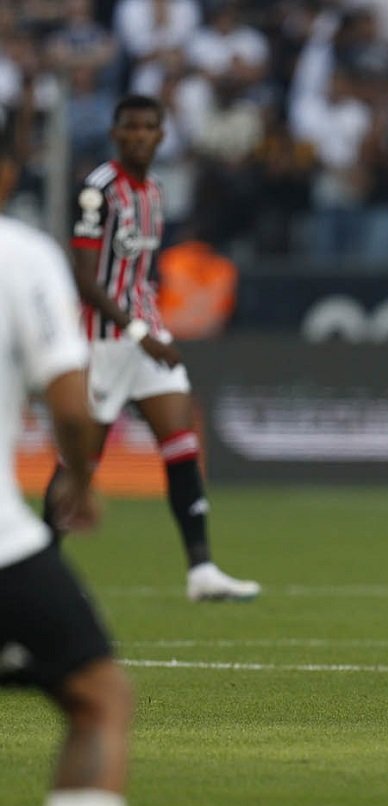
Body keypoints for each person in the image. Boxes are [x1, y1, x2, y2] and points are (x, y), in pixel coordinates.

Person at [43, 94, 259, 601]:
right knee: (78, 463)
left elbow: (142, 271)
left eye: (149, 128)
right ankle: (32, 581)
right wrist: (139, 332)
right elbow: (85, 276)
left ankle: (201, 570)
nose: (140, 135)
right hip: (103, 342)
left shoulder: (155, 192)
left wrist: (152, 327)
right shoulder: (99, 192)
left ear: (162, 136)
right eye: (131, 127)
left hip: (147, 337)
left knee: (180, 440)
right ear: (116, 134)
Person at [0, 122, 133, 806]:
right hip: (2, 547)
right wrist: (79, 480)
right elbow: (72, 402)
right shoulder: (21, 255)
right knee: (98, 698)